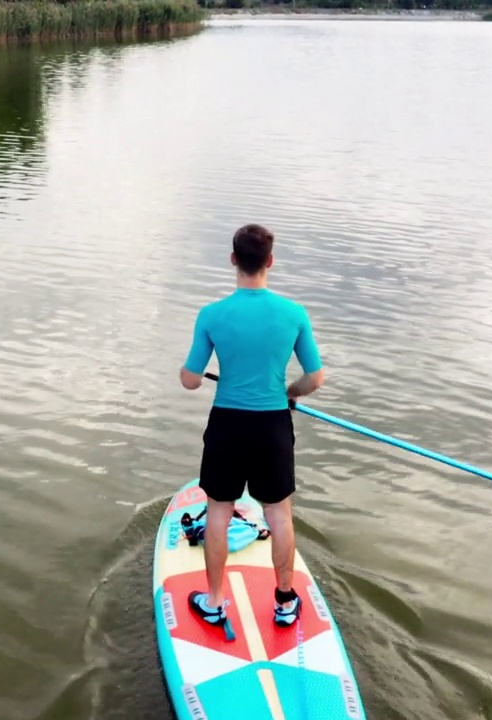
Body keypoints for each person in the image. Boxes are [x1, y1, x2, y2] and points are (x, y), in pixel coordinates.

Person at [179, 223, 325, 631]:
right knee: (279, 514)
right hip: (272, 425)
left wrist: (187, 371)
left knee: (219, 511)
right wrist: (289, 394)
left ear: (233, 260)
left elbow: (191, 380)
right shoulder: (293, 314)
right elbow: (314, 379)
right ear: (270, 262)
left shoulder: (212, 315)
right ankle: (284, 601)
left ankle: (214, 601)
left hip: (227, 424)